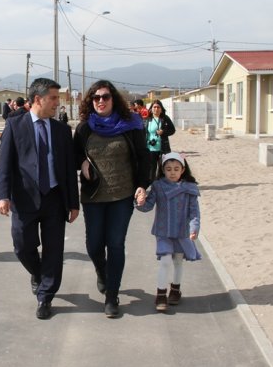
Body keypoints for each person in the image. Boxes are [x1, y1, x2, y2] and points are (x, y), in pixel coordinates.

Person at [0, 78, 80, 320]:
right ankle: (38, 272)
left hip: (54, 198)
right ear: (37, 99)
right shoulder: (15, 125)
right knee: (22, 245)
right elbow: (5, 164)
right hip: (24, 198)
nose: (57, 103)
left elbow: (67, 170)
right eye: (53, 98)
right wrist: (3, 196)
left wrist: (73, 203)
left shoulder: (62, 130)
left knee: (54, 249)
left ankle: (45, 296)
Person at [73, 80, 151, 317]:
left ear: (113, 99)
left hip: (121, 195)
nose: (100, 101)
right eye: (96, 98)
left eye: (105, 97)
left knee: (115, 244)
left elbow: (144, 157)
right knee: (94, 244)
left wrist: (142, 185)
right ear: (91, 101)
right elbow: (74, 154)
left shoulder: (131, 126)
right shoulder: (85, 128)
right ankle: (101, 271)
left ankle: (111, 295)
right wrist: (82, 162)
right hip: (93, 196)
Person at [135, 152, 200, 312]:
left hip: (182, 231)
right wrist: (140, 202)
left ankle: (175, 290)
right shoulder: (158, 186)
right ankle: (161, 294)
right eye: (169, 169)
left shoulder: (189, 188)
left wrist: (194, 228)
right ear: (163, 170)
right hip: (163, 230)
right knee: (164, 261)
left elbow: (194, 212)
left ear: (183, 169)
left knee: (178, 261)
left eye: (176, 169)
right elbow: (148, 206)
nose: (172, 172)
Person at [144, 99, 176, 181]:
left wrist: (164, 132)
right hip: (150, 148)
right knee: (151, 169)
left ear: (161, 109)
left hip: (163, 148)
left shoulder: (165, 118)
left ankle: (162, 184)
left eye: (158, 107)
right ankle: (152, 184)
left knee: (163, 167)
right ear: (151, 109)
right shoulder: (147, 120)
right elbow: (143, 133)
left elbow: (172, 130)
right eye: (154, 107)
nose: (156, 109)